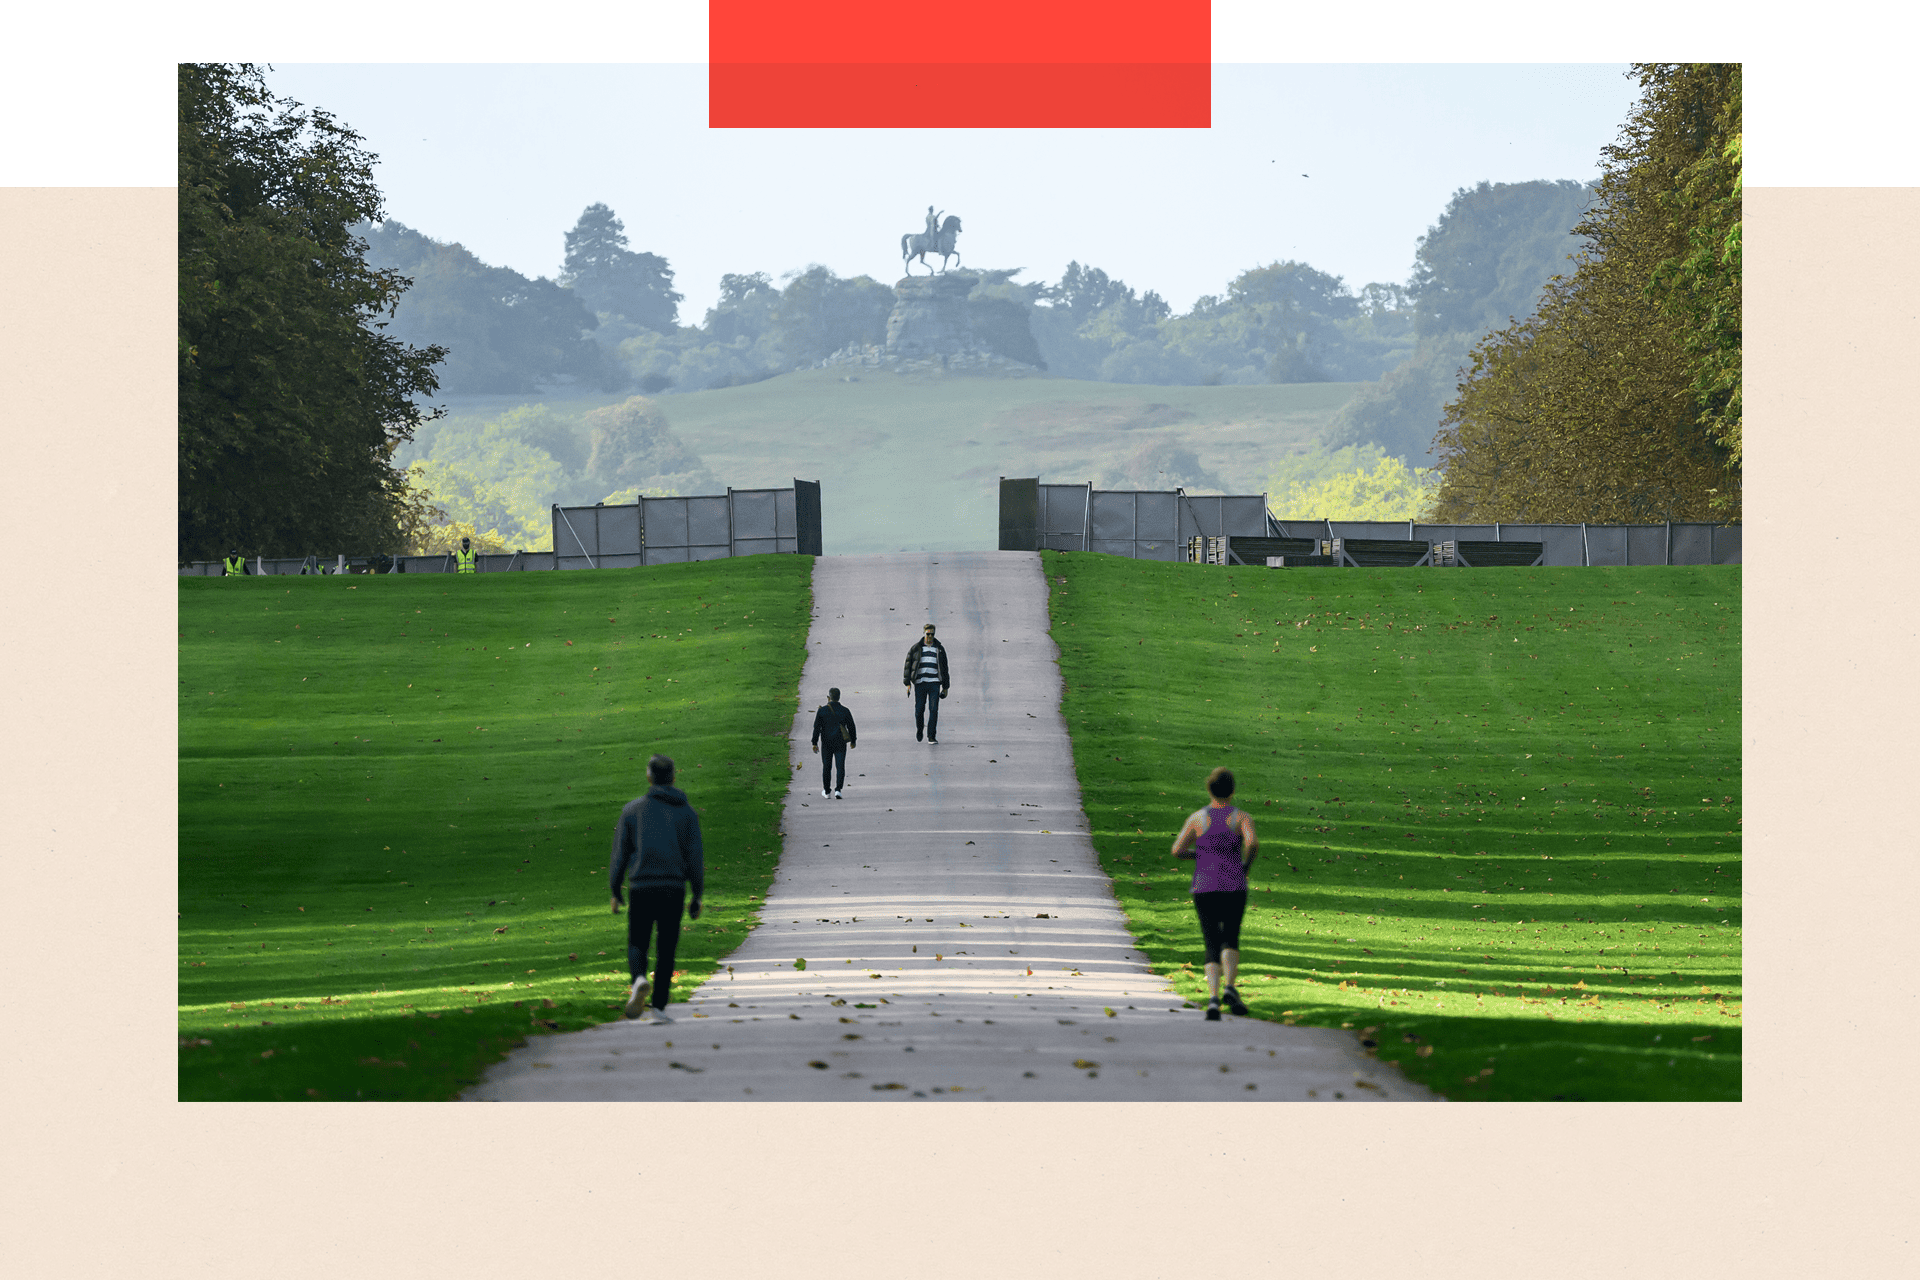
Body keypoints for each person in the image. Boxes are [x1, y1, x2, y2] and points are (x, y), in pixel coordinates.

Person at [608, 754, 704, 1024]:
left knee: (637, 941)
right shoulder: (686, 813)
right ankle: (658, 1008)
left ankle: (638, 979)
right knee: (667, 947)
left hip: (641, 885)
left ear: (649, 777)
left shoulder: (632, 811)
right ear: (674, 777)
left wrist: (615, 889)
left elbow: (620, 855)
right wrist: (697, 894)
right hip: (673, 887)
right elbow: (694, 856)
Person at [1172, 766, 1258, 1021]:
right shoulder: (1241, 818)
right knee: (1230, 936)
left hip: (1204, 885)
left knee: (1210, 941)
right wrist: (1246, 865)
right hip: (1234, 884)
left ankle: (1213, 998)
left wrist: (1198, 854)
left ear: (1209, 790)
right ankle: (1230, 986)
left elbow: (1177, 849)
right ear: (1232, 791)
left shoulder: (1197, 819)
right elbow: (1252, 842)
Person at [901, 622, 949, 742]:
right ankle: (920, 728)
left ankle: (931, 736)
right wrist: (907, 683)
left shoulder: (939, 649)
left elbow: (944, 668)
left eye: (932, 634)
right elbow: (908, 666)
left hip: (934, 683)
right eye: (928, 634)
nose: (930, 637)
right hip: (920, 683)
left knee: (933, 710)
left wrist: (945, 687)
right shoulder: (916, 648)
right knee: (919, 710)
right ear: (924, 634)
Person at [810, 687, 857, 799]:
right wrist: (853, 740)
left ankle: (827, 791)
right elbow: (851, 726)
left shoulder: (822, 711)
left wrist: (814, 742)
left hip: (826, 743)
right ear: (839, 697)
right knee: (840, 766)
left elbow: (816, 727)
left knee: (827, 767)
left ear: (829, 697)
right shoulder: (845, 710)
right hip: (840, 742)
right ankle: (838, 790)